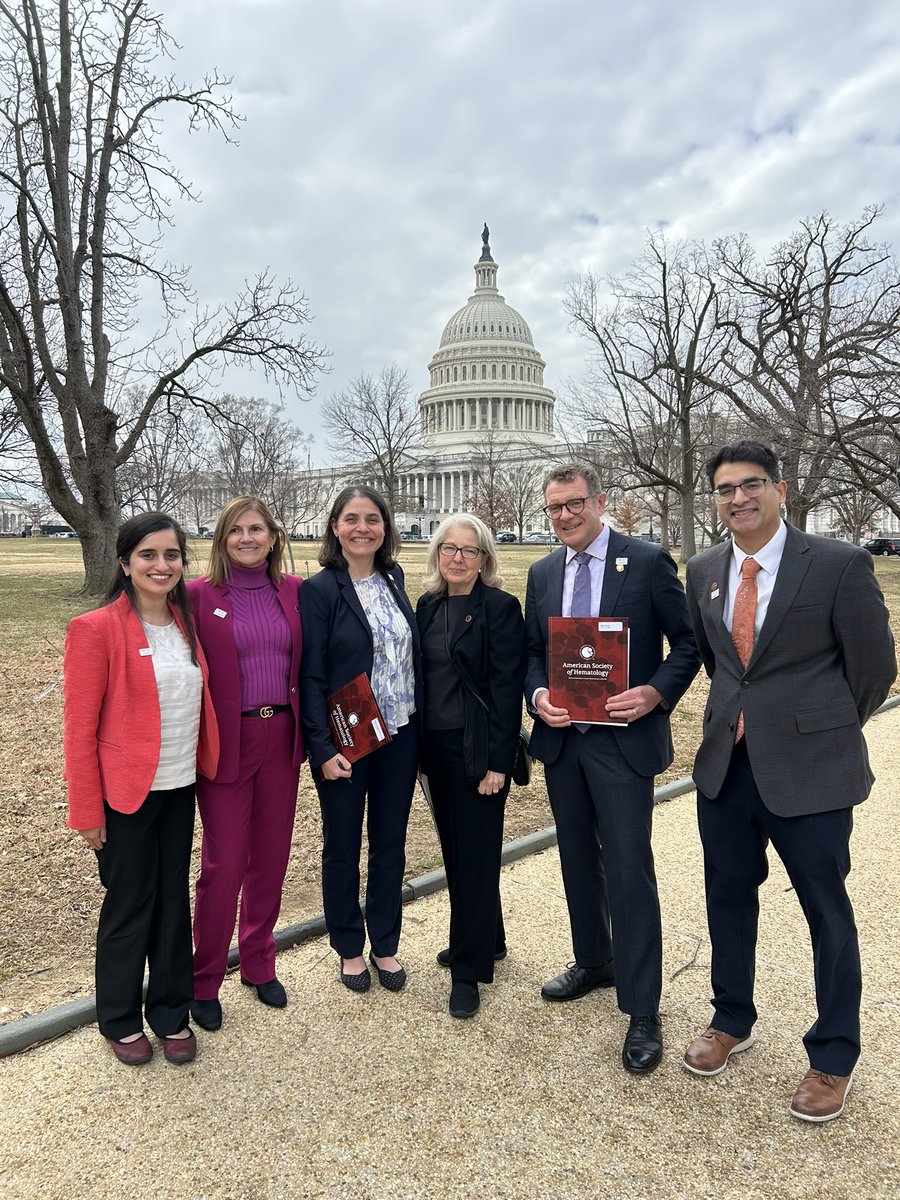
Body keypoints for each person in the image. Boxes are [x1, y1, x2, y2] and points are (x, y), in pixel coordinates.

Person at [682, 441, 896, 1122]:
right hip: (727, 768)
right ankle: (731, 1017)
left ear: (780, 489)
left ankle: (833, 1055)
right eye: (725, 489)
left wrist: (818, 729)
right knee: (727, 897)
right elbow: (720, 663)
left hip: (811, 774)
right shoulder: (704, 570)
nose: (737, 498)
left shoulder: (837, 564)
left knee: (825, 911)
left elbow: (874, 669)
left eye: (751, 485)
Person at [524, 463, 700, 1074]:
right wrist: (538, 697)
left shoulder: (646, 562)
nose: (565, 516)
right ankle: (594, 959)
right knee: (577, 859)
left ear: (600, 501)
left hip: (623, 742)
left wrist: (655, 693)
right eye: (555, 507)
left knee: (628, 870)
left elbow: (688, 644)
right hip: (564, 742)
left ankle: (642, 1005)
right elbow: (533, 653)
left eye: (575, 503)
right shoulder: (543, 573)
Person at [63, 513, 219, 1066]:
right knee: (130, 905)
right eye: (148, 555)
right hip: (124, 795)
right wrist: (86, 810)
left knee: (173, 901)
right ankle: (120, 1018)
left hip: (179, 785)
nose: (161, 565)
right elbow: (79, 730)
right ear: (125, 563)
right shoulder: (95, 629)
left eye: (171, 555)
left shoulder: (186, 623)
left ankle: (171, 1012)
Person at [188, 497, 304, 1031]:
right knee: (225, 863)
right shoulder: (197, 595)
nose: (247, 538)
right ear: (222, 539)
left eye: (256, 528)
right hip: (226, 740)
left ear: (273, 536)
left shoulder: (295, 592)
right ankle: (204, 978)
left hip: (281, 734)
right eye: (235, 530)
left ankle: (258, 961)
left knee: (271, 857)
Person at [300, 485, 421, 992]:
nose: (362, 528)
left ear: (385, 528)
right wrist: (321, 749)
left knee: (390, 843)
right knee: (343, 844)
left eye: (373, 519)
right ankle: (349, 946)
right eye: (351, 519)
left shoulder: (394, 577)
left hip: (400, 733)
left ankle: (385, 943)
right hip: (346, 740)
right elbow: (310, 675)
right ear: (335, 527)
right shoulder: (319, 590)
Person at [416, 514, 526, 1019]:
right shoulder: (427, 605)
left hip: (478, 748)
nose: (457, 558)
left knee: (476, 856)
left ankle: (468, 969)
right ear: (437, 553)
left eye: (469, 550)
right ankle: (489, 938)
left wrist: (498, 763)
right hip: (434, 749)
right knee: (457, 851)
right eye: (449, 548)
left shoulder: (500, 608)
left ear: (484, 559)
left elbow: (506, 690)